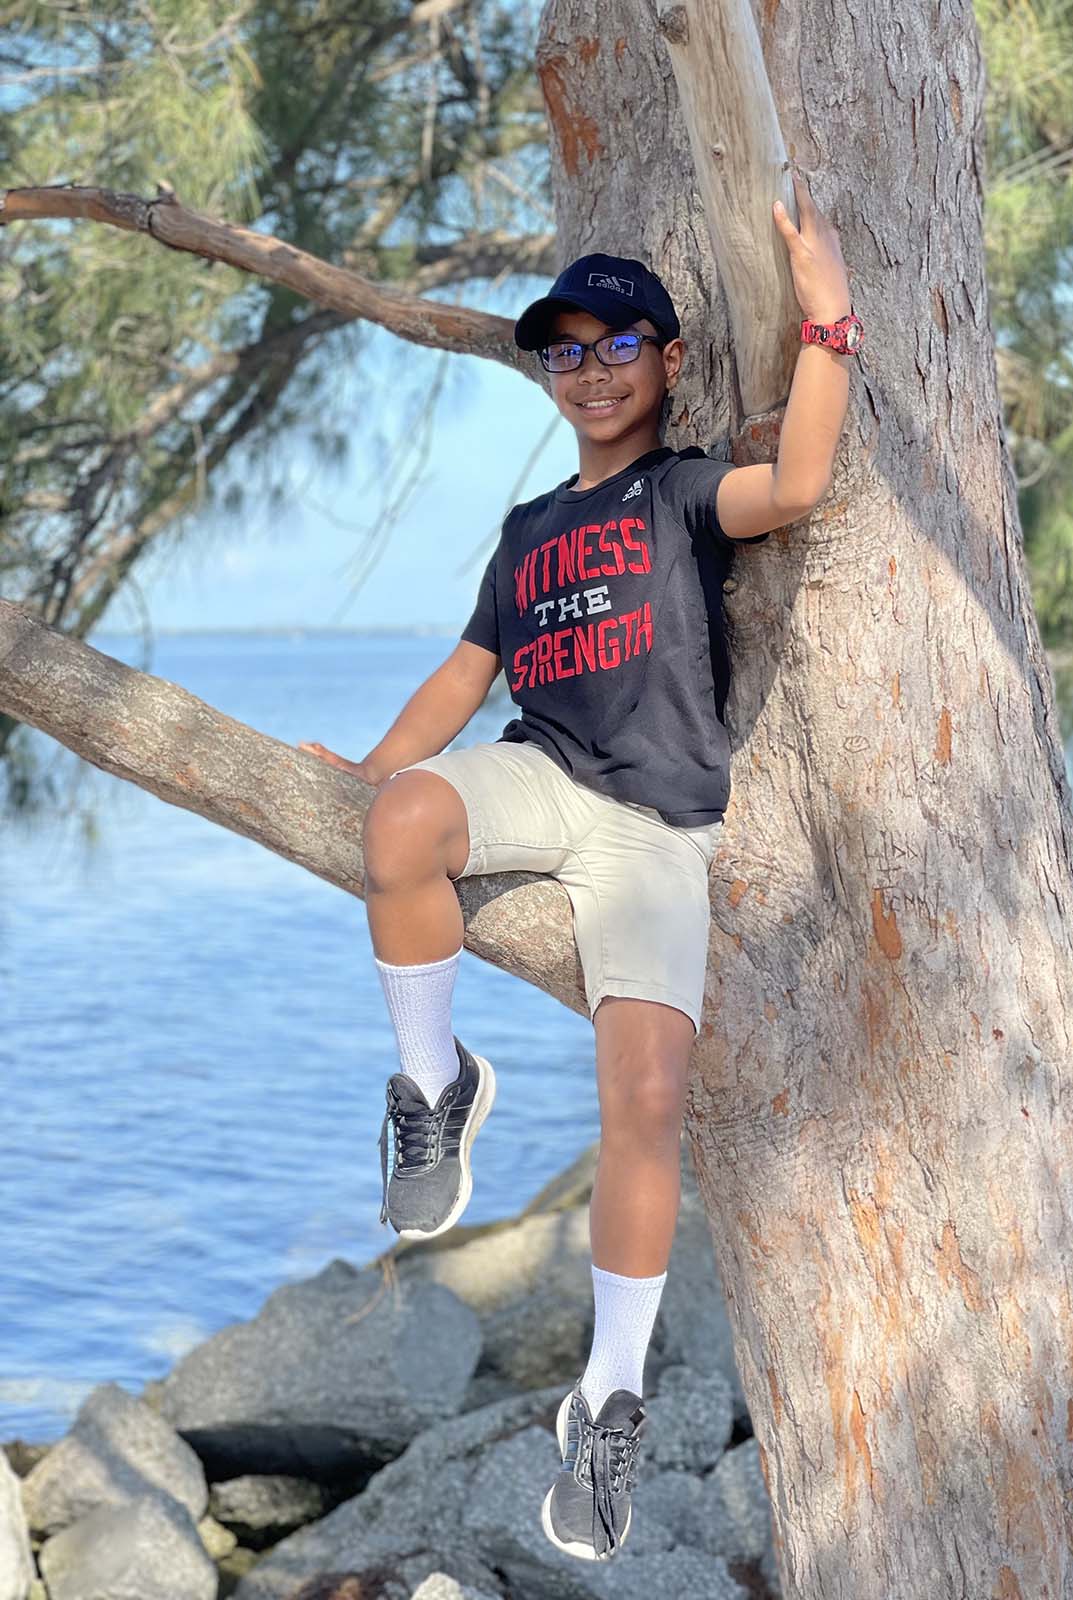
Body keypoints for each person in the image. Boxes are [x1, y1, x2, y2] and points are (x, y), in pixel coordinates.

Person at [299, 172, 857, 1562]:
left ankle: (606, 1397)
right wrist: (370, 773)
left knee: (647, 1101)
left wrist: (827, 322)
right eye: (565, 348)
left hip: (660, 822)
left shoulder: (678, 494)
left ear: (665, 362)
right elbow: (464, 672)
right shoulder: (529, 531)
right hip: (543, 775)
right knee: (404, 821)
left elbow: (799, 482)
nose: (590, 368)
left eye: (619, 345)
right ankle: (435, 1082)